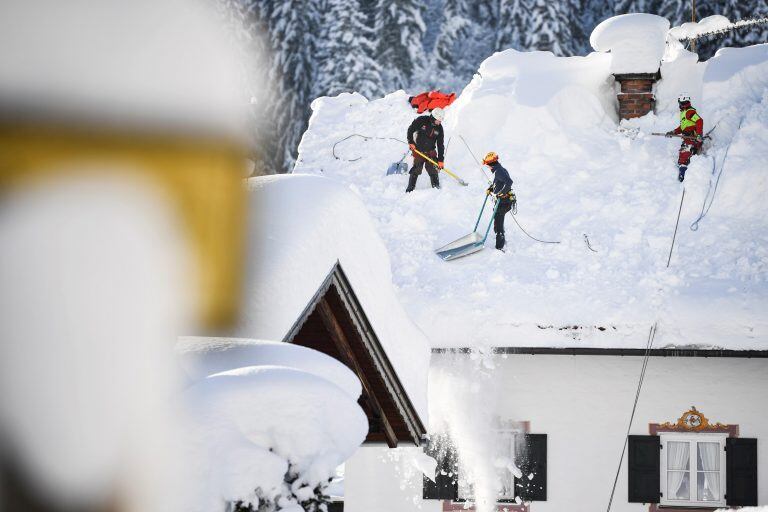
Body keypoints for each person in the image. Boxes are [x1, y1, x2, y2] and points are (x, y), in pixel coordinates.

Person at [666, 93, 704, 182]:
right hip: (688, 138)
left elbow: (699, 121)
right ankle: (690, 169)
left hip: (692, 138)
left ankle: (682, 176)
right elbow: (683, 127)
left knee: (683, 156)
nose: (679, 105)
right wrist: (674, 132)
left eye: (679, 103)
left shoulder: (689, 112)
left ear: (683, 103)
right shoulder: (684, 113)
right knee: (687, 155)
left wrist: (698, 135)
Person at [405, 107, 445, 192]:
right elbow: (410, 129)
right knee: (416, 169)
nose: (439, 122)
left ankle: (436, 188)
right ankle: (410, 189)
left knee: (433, 170)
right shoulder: (422, 120)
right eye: (438, 120)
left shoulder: (439, 129)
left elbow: (440, 145)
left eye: (441, 121)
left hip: (431, 151)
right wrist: (411, 142)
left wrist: (441, 160)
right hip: (419, 150)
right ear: (434, 117)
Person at [483, 151, 515, 251]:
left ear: (490, 164)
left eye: (487, 165)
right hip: (501, 201)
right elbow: (498, 183)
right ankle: (498, 234)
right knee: (497, 220)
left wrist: (502, 193)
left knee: (499, 223)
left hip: (503, 202)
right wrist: (491, 188)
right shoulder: (499, 170)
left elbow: (509, 182)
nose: (487, 167)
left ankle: (500, 247)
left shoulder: (499, 171)